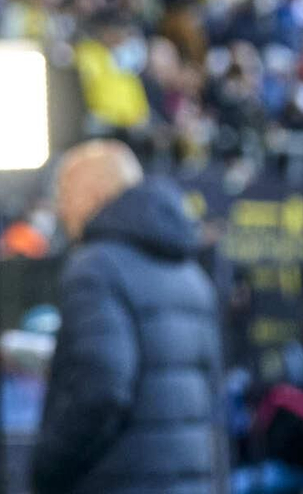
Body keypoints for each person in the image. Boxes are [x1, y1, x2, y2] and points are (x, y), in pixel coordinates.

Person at [30, 139, 227, 494]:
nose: (60, 209)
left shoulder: (95, 267)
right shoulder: (191, 274)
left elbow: (100, 391)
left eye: (65, 193)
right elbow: (212, 400)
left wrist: (46, 469)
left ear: (93, 194)